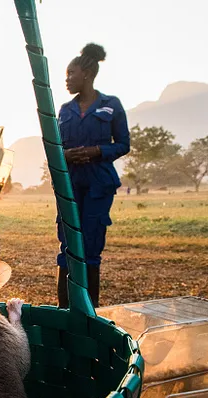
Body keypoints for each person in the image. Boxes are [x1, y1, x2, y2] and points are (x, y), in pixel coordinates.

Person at [56, 43, 130, 308]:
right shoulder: (65, 110)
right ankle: (65, 308)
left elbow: (123, 144)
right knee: (67, 243)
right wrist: (66, 156)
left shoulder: (111, 105)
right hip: (70, 184)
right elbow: (55, 147)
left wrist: (98, 150)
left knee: (91, 245)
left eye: (71, 73)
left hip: (99, 183)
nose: (67, 79)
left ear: (86, 74)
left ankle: (89, 309)